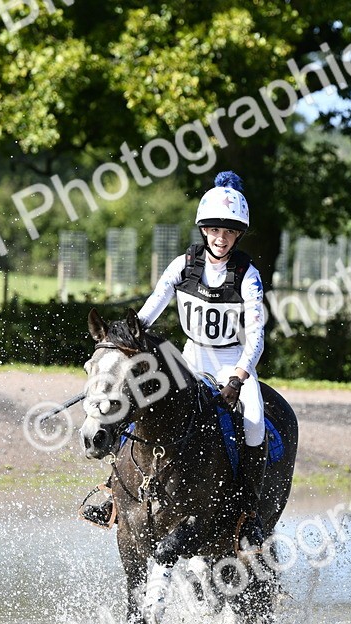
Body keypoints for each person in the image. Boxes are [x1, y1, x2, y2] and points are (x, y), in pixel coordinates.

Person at [81, 171, 268, 543]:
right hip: (189, 358)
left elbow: (257, 336)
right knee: (136, 400)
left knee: (255, 423)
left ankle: (248, 512)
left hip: (232, 362)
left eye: (229, 232)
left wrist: (239, 377)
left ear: (238, 235)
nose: (221, 238)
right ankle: (113, 491)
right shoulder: (183, 265)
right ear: (204, 230)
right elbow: (152, 308)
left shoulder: (248, 276)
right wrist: (124, 339)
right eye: (214, 230)